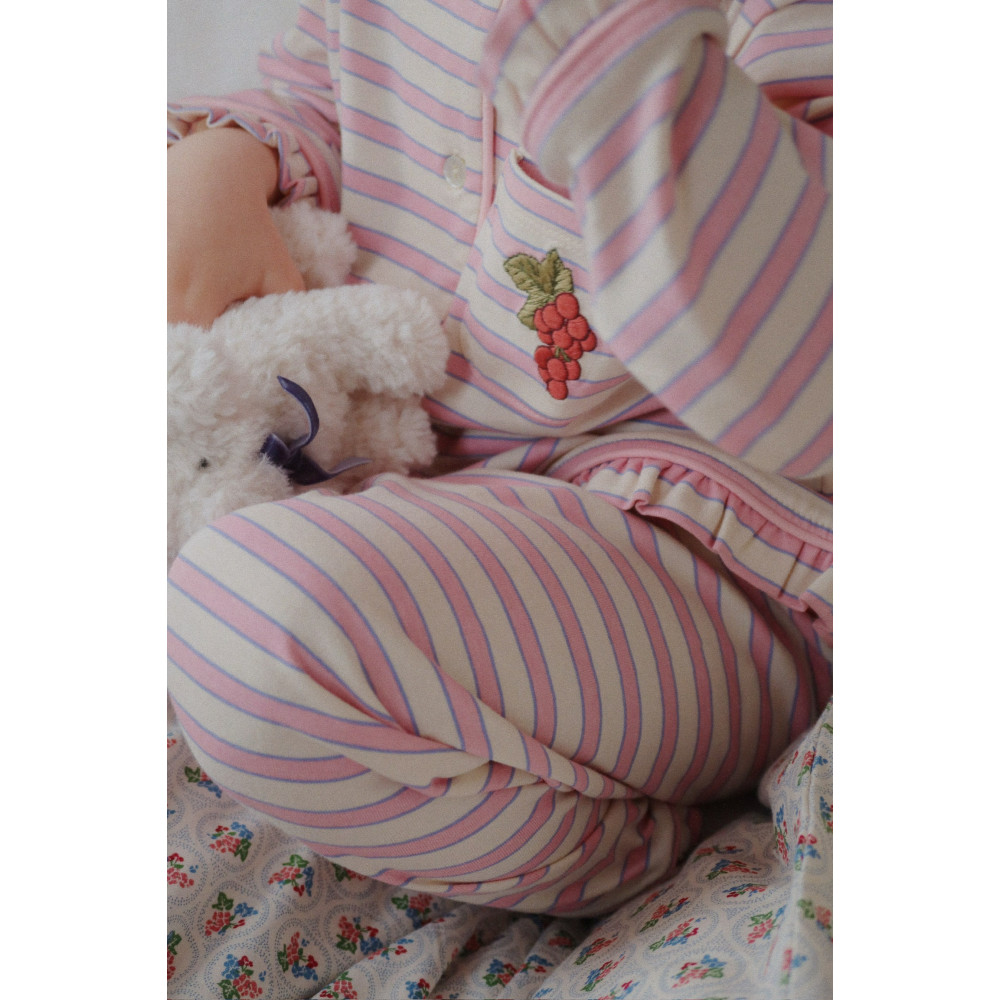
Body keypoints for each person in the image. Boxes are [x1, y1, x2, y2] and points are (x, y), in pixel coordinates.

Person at [167, 0, 833, 918]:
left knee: (250, 621)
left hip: (702, 543)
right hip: (408, 494)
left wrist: (613, 74)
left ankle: (613, 842)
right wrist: (230, 156)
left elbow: (815, 377)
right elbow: (321, 83)